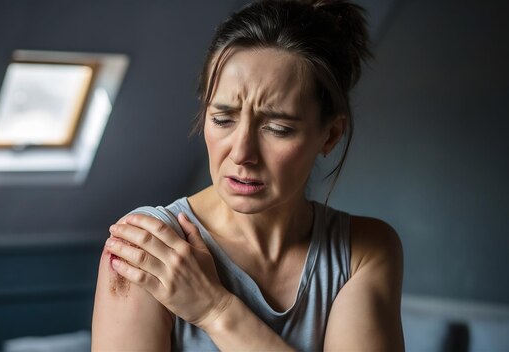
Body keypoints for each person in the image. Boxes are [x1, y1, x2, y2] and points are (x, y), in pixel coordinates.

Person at [91, 0, 404, 350]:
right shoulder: (148, 247)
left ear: (329, 135)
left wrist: (215, 309)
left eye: (277, 128)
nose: (241, 153)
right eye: (223, 120)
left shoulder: (364, 250)